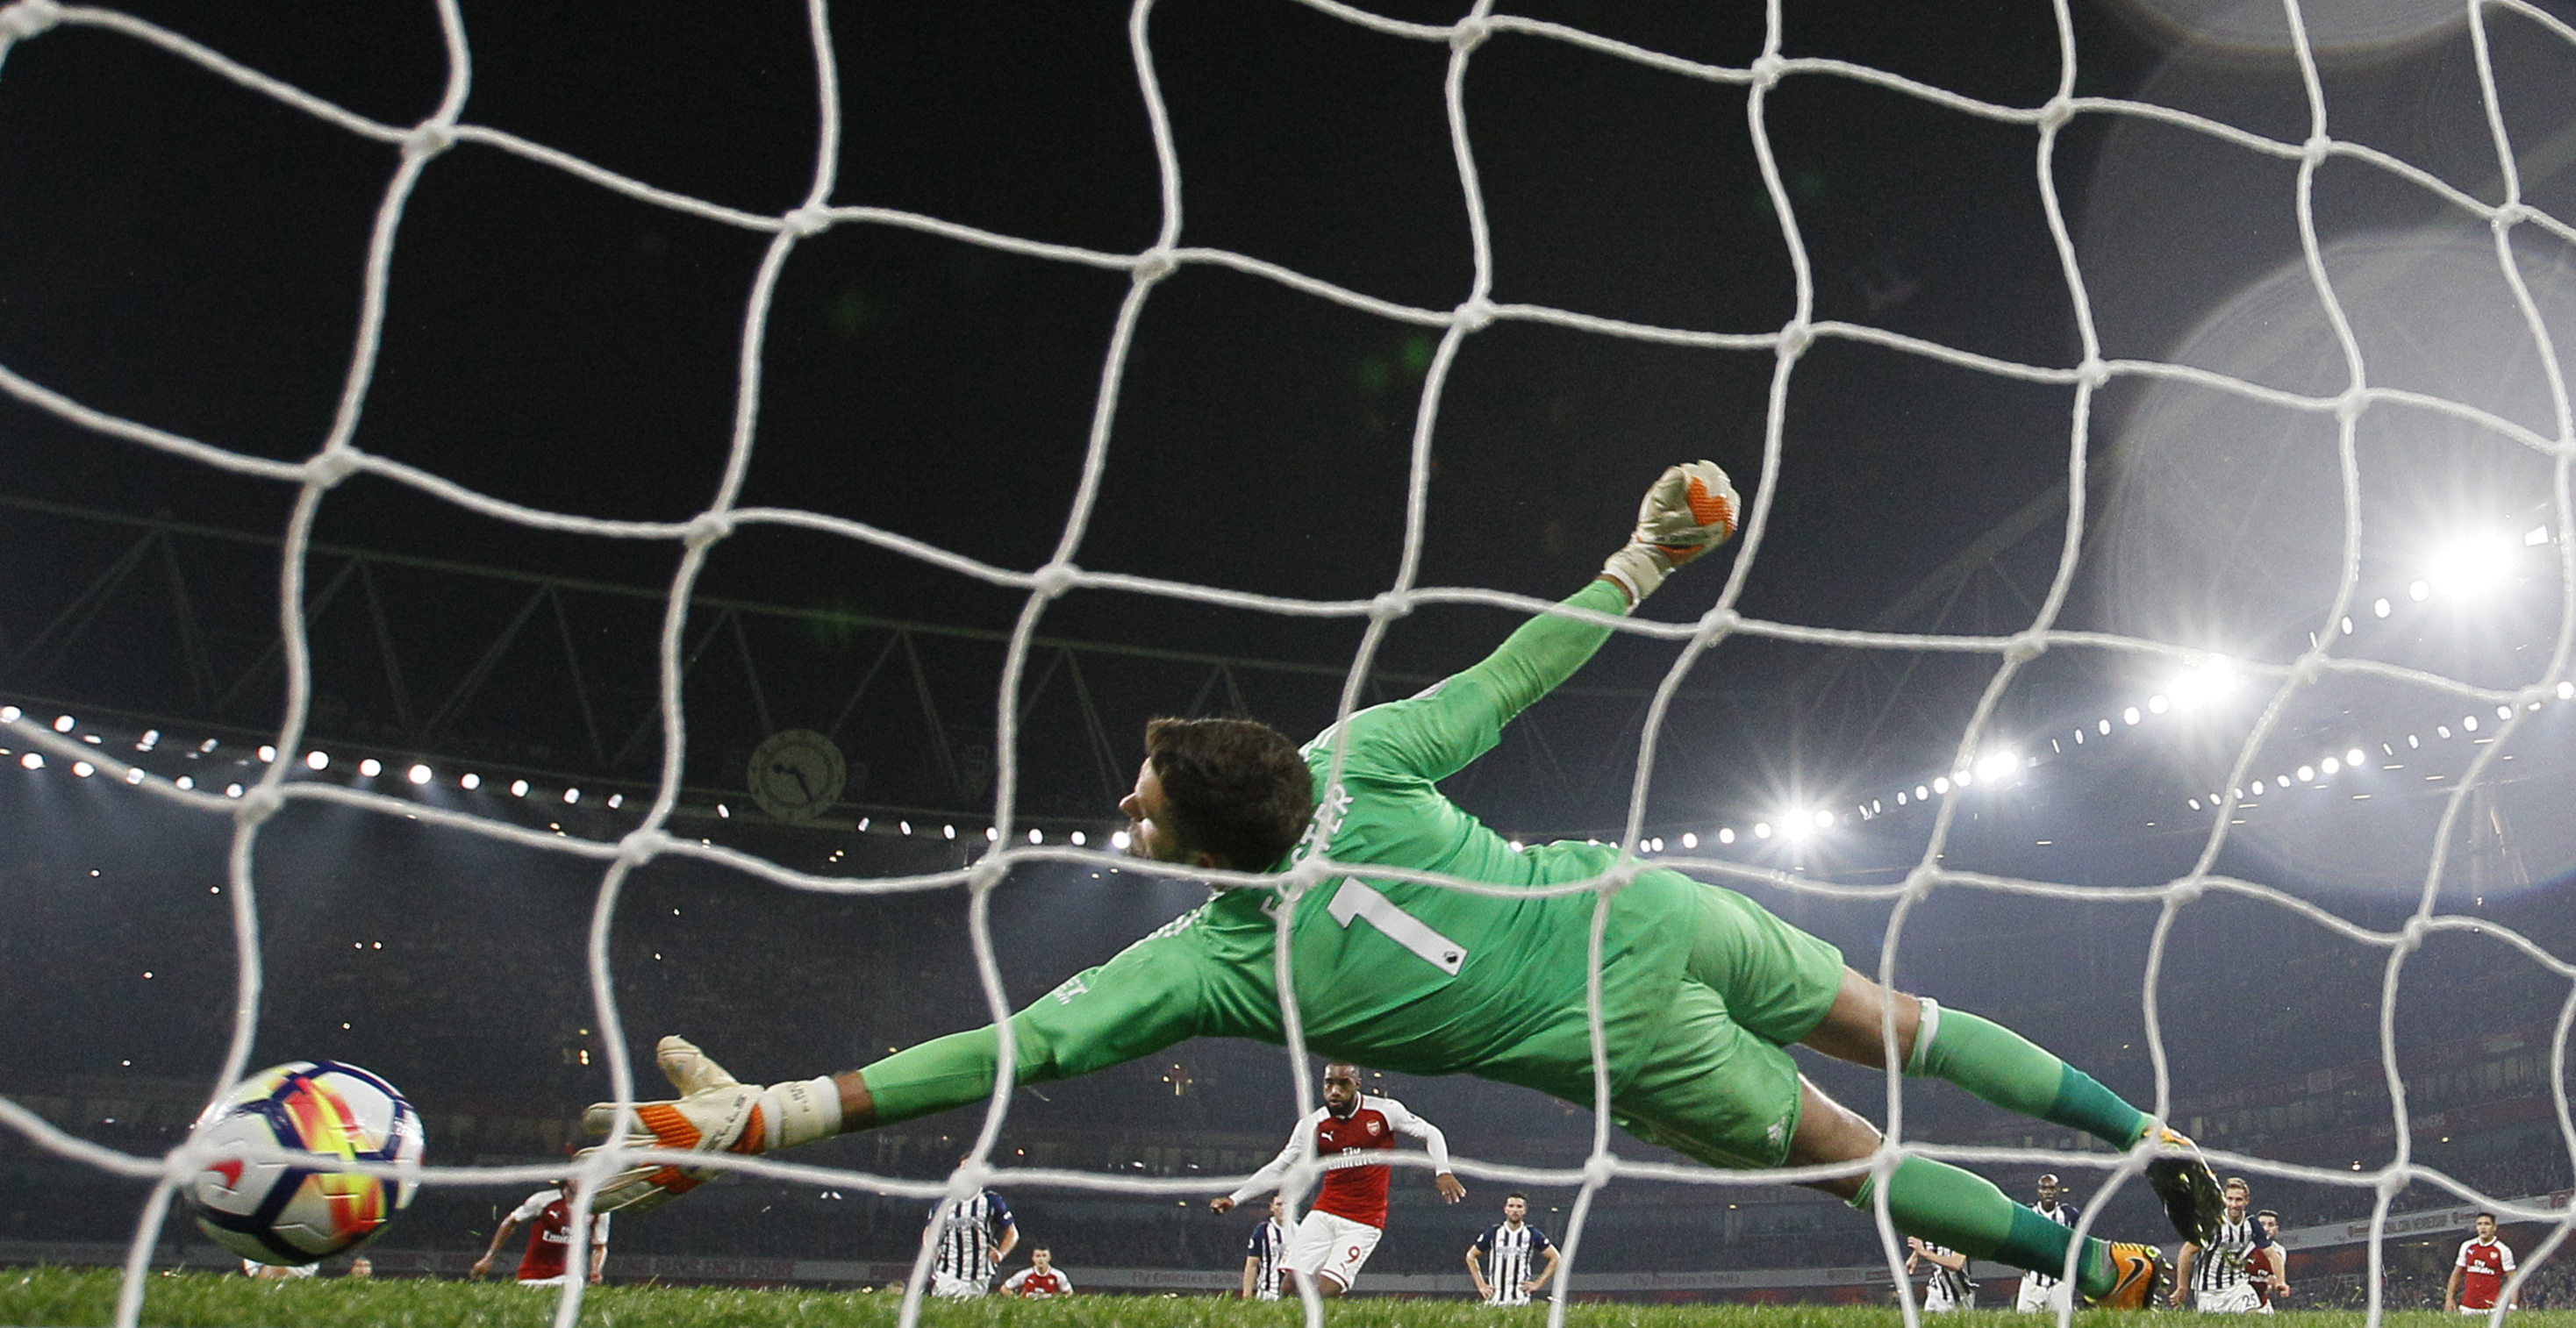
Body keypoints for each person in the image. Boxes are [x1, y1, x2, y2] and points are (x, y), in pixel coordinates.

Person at [577, 461, 2218, 1310]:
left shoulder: (1218, 959)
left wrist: (778, 1111)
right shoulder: (1356, 753)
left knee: (1860, 1162)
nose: (1123, 802)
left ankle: (2094, 1270)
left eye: (1140, 793)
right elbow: (1518, 670)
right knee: (1903, 1021)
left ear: (1205, 841)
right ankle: (2147, 1132)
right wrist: (1647, 555)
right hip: (1637, 899)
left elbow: (996, 1053)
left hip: (1621, 1027)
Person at [1207, 1061, 1462, 1296]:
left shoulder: (1385, 1111)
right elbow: (1279, 1166)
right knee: (1290, 1284)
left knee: (1324, 1290)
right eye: (1329, 1084)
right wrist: (1234, 1198)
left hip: (1364, 1220)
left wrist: (1443, 1171)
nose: (1335, 1091)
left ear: (1357, 1085)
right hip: (1325, 1211)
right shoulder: (1313, 1125)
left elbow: (1431, 1133)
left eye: (1343, 1084)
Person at [469, 1180, 610, 1286]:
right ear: (567, 1177)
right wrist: (489, 1258)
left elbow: (600, 1245)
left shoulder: (599, 1208)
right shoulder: (543, 1200)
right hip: (532, 1276)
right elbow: (510, 1222)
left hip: (569, 1279)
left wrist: (596, 1270)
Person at [2172, 1175, 2267, 1312]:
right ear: (2224, 1200)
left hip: (2237, 1286)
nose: (2234, 1204)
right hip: (2209, 1291)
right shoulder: (2213, 1224)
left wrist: (2281, 1281)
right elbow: (2186, 1252)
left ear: (2246, 1201)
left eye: (2238, 1199)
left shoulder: (2251, 1224)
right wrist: (2182, 1287)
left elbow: (2272, 1254)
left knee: (2254, 1319)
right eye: (2230, 1199)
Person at [926, 1167, 1017, 1300]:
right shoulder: (945, 1202)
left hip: (980, 1273)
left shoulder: (991, 1200)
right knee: (945, 1314)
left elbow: (1012, 1232)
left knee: (972, 1316)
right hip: (948, 1271)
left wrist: (1001, 1254)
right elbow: (929, 1232)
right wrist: (931, 1249)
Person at [1466, 1191, 1559, 1307]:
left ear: (1525, 1210)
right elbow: (1471, 1256)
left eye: (1519, 1207)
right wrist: (1481, 1285)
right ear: (1505, 1209)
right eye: (1511, 1206)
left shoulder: (1532, 1234)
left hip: (1521, 1301)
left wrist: (1538, 1284)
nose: (1515, 1210)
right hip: (1495, 1300)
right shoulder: (1494, 1233)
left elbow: (1555, 1257)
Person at [2013, 1173, 2079, 1312]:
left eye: (2052, 1188)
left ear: (2058, 1191)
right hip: (2032, 1279)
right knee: (2023, 1321)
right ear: (2039, 1191)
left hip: (2059, 1280)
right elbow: (2017, 1240)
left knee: (2064, 1321)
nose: (2048, 1192)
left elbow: (2079, 1242)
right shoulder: (2027, 1213)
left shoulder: (2069, 1214)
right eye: (2044, 1188)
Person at [2448, 1212, 2518, 1314]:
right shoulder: (2467, 1246)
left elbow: (2513, 1279)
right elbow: (2456, 1274)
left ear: (2494, 1228)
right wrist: (2449, 1298)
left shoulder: (2503, 1250)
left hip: (2492, 1309)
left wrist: (2513, 1305)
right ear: (2476, 1227)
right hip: (2467, 1308)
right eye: (2479, 1224)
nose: (2483, 1227)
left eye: (2487, 1224)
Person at [1240, 1193, 1289, 1300]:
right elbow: (1252, 1263)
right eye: (1279, 1204)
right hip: (1267, 1295)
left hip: (1293, 1297)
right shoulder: (1262, 1231)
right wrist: (1247, 1295)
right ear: (1272, 1208)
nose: (1283, 1208)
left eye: (1286, 1204)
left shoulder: (1299, 1230)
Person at [1909, 1236, 1975, 1311]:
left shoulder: (1960, 1234)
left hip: (1959, 1293)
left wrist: (1923, 1252)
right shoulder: (1932, 1231)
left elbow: (1956, 1264)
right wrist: (1915, 1255)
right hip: (1937, 1289)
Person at [2250, 1209, 2288, 1310]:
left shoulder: (2279, 1251)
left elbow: (2274, 1281)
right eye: (2261, 1224)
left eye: (2271, 1225)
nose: (2266, 1229)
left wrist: (2273, 1285)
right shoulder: (2244, 1246)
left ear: (2277, 1229)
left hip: (2261, 1297)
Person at [1000, 1245, 1073, 1297]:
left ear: (1049, 1258)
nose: (1041, 1259)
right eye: (1038, 1256)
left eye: (1044, 1256)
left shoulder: (1058, 1275)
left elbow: (1069, 1293)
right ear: (1033, 1258)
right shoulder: (1024, 1274)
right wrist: (1017, 1301)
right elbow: (1004, 1289)